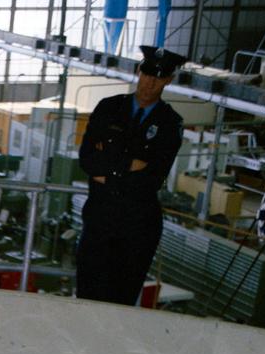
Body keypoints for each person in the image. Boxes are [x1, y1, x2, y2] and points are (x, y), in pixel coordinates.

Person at [76, 45, 186, 305]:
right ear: (139, 71)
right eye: (147, 74)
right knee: (85, 297)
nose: (150, 82)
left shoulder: (170, 123)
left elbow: (152, 178)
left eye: (158, 77)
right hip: (99, 221)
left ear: (168, 80)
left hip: (136, 229)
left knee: (119, 304)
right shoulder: (108, 108)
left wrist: (109, 169)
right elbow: (88, 160)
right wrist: (130, 165)